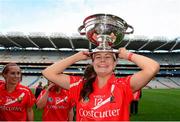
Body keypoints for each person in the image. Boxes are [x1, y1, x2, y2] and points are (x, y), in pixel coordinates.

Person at [42, 47, 160, 121]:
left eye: (108, 57)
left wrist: (127, 55)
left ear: (114, 64)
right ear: (93, 63)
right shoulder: (79, 85)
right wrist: (76, 57)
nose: (102, 60)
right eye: (98, 57)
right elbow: (48, 72)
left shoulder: (124, 85)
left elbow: (153, 68)